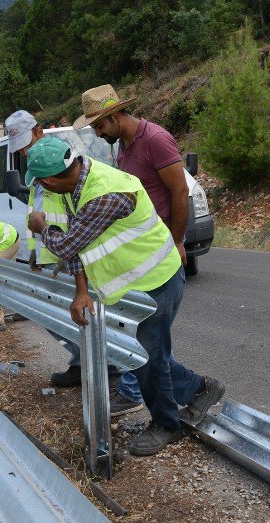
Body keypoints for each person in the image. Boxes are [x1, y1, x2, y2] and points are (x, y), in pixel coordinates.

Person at [25, 136, 224, 456]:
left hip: (158, 279)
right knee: (149, 353)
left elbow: (65, 244)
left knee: (145, 356)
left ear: (48, 180)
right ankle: (200, 389)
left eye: (39, 183)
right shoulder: (72, 187)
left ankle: (166, 424)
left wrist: (40, 227)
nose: (40, 188)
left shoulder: (106, 192)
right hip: (134, 287)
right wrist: (80, 292)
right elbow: (78, 244)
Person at [74, 84, 190, 414]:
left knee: (148, 344)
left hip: (162, 252)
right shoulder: (123, 147)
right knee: (150, 341)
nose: (97, 133)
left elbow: (180, 192)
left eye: (99, 126)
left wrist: (178, 241)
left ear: (114, 115)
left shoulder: (155, 139)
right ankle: (191, 392)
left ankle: (173, 399)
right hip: (143, 256)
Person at [6, 110, 110, 388]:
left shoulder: (61, 164)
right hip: (51, 255)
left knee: (77, 314)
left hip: (69, 254)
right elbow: (39, 211)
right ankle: (80, 363)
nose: (25, 153)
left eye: (27, 145)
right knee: (56, 318)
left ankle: (106, 369)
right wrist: (35, 253)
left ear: (39, 132)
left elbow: (75, 224)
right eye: (21, 150)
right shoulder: (38, 170)